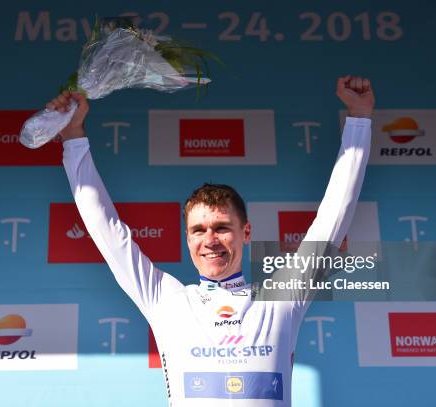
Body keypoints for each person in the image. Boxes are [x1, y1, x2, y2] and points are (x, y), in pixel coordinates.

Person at [48, 75, 374, 406]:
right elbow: (106, 230)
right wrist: (73, 137)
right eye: (198, 230)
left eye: (221, 227)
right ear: (187, 238)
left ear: (246, 232)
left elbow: (334, 216)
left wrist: (359, 118)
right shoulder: (167, 299)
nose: (210, 240)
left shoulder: (279, 298)